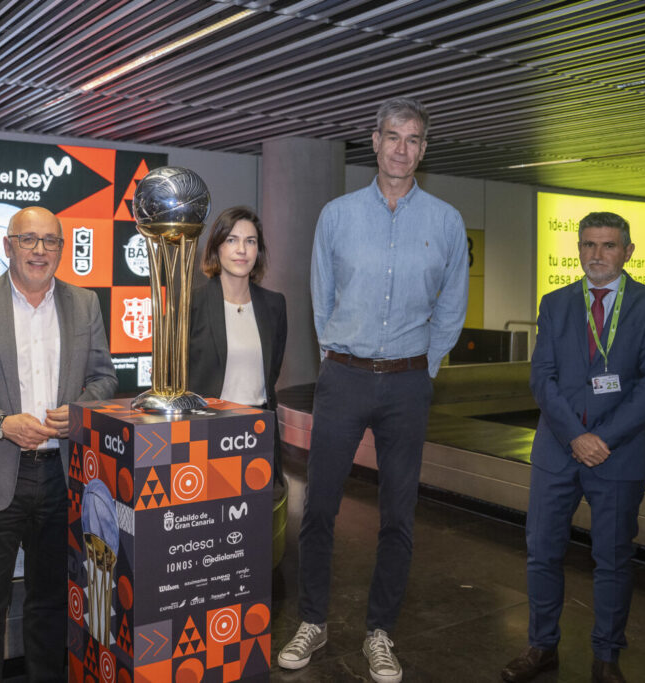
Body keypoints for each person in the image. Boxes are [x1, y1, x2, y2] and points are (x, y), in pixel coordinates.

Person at [278, 96, 469, 683]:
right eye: (393, 136)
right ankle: (313, 620)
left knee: (398, 515)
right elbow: (321, 297)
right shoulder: (337, 215)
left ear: (423, 148)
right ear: (375, 140)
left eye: (413, 139)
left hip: (409, 383)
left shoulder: (445, 221)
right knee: (320, 506)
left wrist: (425, 367)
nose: (401, 149)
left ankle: (380, 632)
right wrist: (338, 358)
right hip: (345, 377)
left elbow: (452, 306)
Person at [0, 206, 117, 682]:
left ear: (61, 248)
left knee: (51, 602)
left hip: (62, 477)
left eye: (50, 241)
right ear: (8, 246)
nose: (40, 250)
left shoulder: (85, 303)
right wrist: (1, 423)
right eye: (28, 239)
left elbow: (104, 377)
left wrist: (78, 412)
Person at [500, 212, 645, 683]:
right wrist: (575, 437)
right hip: (557, 452)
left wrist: (603, 439)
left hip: (619, 455)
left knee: (613, 559)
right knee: (542, 552)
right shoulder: (555, 303)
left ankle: (607, 656)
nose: (597, 254)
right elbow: (543, 377)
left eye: (608, 245)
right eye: (588, 245)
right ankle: (541, 647)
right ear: (578, 249)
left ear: (628, 252)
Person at [188, 206, 287, 485]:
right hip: (205, 431)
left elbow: (273, 369)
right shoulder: (191, 304)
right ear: (217, 247)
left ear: (258, 251)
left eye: (250, 241)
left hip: (258, 431)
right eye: (232, 240)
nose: (242, 250)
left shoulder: (274, 305)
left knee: (258, 508)